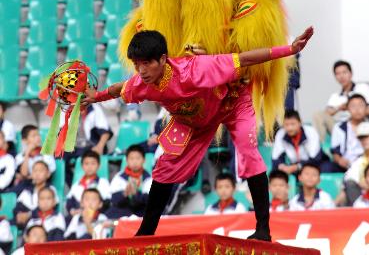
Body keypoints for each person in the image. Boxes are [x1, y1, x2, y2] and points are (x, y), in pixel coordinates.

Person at [82, 26, 314, 242]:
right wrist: (97, 95)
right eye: (136, 65)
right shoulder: (142, 83)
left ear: (163, 59)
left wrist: (289, 50)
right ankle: (145, 233)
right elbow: (119, 89)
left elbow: (245, 59)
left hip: (231, 103)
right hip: (194, 122)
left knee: (247, 150)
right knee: (164, 167)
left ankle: (263, 229)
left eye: (146, 63)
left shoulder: (196, 69)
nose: (141, 71)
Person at [313, 61, 369, 143]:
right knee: (317, 114)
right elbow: (327, 113)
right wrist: (340, 108)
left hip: (360, 125)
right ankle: (321, 149)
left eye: (344, 72)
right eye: (338, 74)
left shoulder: (362, 87)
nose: (341, 76)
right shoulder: (335, 96)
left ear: (351, 73)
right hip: (340, 130)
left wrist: (354, 108)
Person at [272, 110, 328, 174]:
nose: (290, 128)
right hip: (294, 165)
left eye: (293, 124)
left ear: (300, 122)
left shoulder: (310, 131)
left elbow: (315, 158)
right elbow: (276, 158)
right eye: (286, 125)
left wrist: (297, 167)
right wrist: (281, 166)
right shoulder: (281, 133)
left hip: (315, 163)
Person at [107, 145, 151, 219]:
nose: (134, 162)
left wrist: (136, 194)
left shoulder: (149, 179)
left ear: (144, 160)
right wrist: (125, 193)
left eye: (138, 158)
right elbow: (114, 200)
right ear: (127, 160)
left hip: (141, 212)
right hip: (123, 210)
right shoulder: (119, 177)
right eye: (131, 159)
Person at [65, 149, 111, 220]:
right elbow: (69, 202)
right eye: (86, 164)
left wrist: (93, 211)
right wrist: (72, 211)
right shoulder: (77, 185)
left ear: (98, 166)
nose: (89, 167)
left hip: (97, 216)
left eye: (93, 163)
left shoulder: (103, 183)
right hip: (78, 216)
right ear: (82, 166)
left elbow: (107, 202)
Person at [14, 161, 56, 229]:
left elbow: (48, 208)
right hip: (24, 221)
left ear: (48, 174)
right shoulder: (27, 191)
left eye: (41, 171)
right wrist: (19, 214)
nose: (37, 174)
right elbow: (18, 207)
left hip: (42, 221)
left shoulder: (51, 190)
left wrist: (29, 215)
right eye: (35, 171)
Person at [330, 94, 367, 173]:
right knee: (326, 167)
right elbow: (335, 151)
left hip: (366, 163)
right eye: (353, 106)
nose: (357, 109)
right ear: (347, 109)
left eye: (361, 106)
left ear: (367, 108)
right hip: (345, 163)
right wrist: (340, 160)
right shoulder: (339, 127)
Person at [343, 121, 369, 206]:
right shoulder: (359, 160)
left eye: (367, 137)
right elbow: (348, 178)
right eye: (362, 138)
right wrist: (362, 182)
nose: (364, 141)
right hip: (363, 199)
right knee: (349, 184)